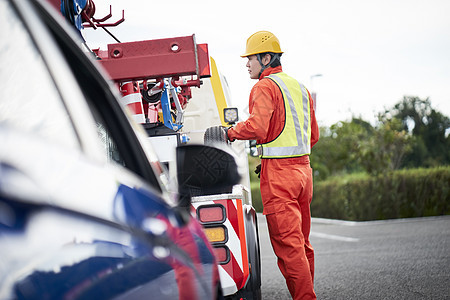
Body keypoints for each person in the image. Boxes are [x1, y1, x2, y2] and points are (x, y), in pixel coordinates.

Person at [226, 31, 319, 299]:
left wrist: (229, 132)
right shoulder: (300, 87)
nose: (247, 64)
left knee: (289, 249)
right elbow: (314, 136)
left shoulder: (264, 87)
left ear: (266, 58)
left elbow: (257, 126)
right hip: (304, 172)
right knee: (302, 244)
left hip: (280, 177)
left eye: (250, 58)